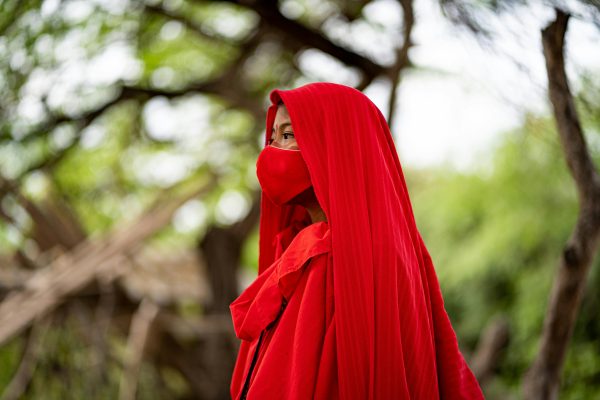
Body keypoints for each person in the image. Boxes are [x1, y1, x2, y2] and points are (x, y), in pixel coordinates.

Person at [229, 82, 485, 399]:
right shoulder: (314, 248)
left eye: (288, 135)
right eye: (271, 138)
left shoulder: (331, 256)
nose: (271, 152)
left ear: (334, 144)